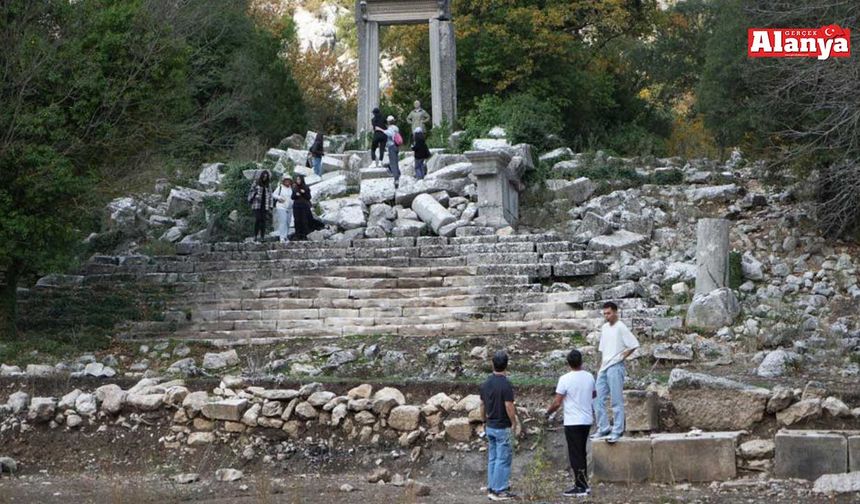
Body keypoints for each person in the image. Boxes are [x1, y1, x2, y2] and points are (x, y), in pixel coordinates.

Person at [545, 349, 596, 497]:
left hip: (573, 421)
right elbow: (594, 394)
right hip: (586, 419)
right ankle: (584, 483)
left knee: (575, 454)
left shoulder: (565, 379)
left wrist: (548, 412)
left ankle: (580, 486)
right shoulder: (589, 377)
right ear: (581, 361)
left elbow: (557, 402)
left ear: (568, 363)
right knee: (581, 452)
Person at [592, 301, 640, 443]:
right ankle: (603, 427)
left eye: (609, 313)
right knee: (597, 398)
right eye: (605, 313)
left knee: (616, 399)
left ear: (615, 312)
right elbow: (603, 349)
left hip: (615, 366)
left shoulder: (621, 327)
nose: (606, 316)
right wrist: (600, 366)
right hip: (604, 366)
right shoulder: (605, 328)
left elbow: (634, 344)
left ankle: (618, 430)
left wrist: (622, 357)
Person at [480, 351, 518, 501]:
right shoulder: (506, 384)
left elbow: (482, 405)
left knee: (493, 458)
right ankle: (499, 490)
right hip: (502, 426)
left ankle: (492, 486)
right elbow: (508, 405)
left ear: (492, 364)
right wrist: (514, 422)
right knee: (503, 458)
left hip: (490, 425)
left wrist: (483, 420)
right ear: (506, 365)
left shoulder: (485, 383)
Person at [291, 174, 324, 240]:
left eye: (299, 179)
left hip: (304, 206)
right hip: (296, 206)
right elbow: (292, 197)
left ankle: (305, 234)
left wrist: (304, 192)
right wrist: (296, 195)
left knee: (304, 220)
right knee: (297, 220)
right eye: (297, 179)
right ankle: (298, 235)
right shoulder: (295, 188)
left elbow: (308, 197)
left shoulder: (305, 187)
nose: (298, 181)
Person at [247, 170, 273, 242]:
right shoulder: (256, 183)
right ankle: (255, 235)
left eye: (266, 177)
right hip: (257, 204)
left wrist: (271, 205)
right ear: (261, 176)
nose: (265, 178)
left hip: (265, 205)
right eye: (264, 176)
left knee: (263, 221)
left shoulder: (268, 185)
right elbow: (251, 191)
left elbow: (270, 195)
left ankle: (262, 236)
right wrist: (255, 195)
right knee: (258, 219)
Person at [377, 115, 401, 187]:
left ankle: (396, 179)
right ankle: (398, 174)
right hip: (396, 146)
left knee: (393, 163)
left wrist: (381, 130)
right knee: (395, 162)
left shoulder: (391, 128)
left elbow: (390, 134)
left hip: (392, 146)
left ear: (388, 122)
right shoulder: (396, 128)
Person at [273, 175, 294, 243]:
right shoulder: (280, 187)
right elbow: (274, 194)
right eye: (286, 180)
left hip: (290, 208)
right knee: (283, 221)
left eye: (289, 180)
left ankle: (286, 236)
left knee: (288, 222)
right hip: (281, 206)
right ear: (283, 181)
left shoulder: (291, 188)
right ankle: (282, 237)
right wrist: (279, 198)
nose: (287, 181)